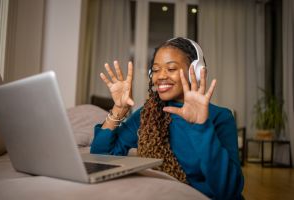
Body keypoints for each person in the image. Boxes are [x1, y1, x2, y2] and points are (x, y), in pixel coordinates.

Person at [90, 37, 244, 199]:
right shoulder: (149, 114)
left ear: (196, 72)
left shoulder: (221, 117)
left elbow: (228, 190)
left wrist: (201, 127)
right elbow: (101, 156)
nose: (161, 76)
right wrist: (119, 109)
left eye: (171, 69)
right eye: (155, 70)